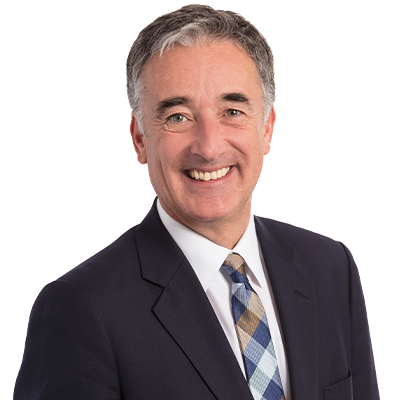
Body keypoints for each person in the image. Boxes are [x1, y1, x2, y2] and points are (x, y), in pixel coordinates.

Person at [14, 4, 379, 400]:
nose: (209, 147)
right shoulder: (80, 309)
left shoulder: (330, 268)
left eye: (232, 111)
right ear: (139, 138)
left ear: (267, 128)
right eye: (178, 117)